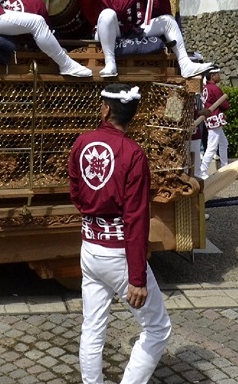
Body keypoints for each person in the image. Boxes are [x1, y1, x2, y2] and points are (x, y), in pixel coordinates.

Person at [68, 84, 171, 384]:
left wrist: (92, 211)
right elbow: (136, 218)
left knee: (92, 326)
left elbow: (75, 190)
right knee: (158, 328)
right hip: (119, 252)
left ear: (106, 109)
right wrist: (137, 277)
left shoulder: (82, 142)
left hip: (90, 245)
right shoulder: (133, 153)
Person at [96, 0, 208, 79]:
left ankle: (185, 64)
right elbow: (118, 8)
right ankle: (110, 63)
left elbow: (165, 12)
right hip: (114, 32)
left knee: (168, 20)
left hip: (137, 30)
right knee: (107, 14)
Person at [197, 66, 229, 181]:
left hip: (211, 118)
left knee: (224, 143)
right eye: (217, 74)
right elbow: (225, 105)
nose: (219, 76)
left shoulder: (205, 87)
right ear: (212, 76)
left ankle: (225, 167)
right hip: (215, 119)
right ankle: (202, 170)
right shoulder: (214, 88)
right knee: (212, 146)